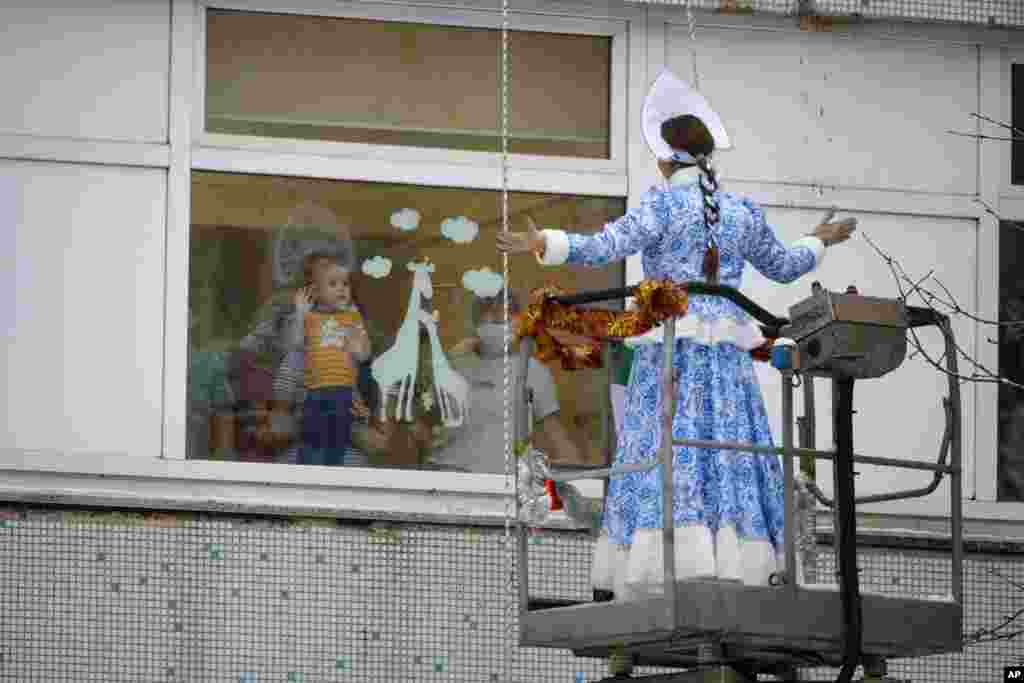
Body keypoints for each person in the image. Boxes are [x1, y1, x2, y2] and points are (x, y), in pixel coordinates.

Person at [497, 71, 857, 600]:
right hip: (729, 367)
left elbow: (607, 244)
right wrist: (818, 241)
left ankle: (658, 564)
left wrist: (545, 243)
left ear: (666, 158)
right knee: (728, 451)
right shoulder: (740, 213)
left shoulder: (663, 205)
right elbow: (783, 266)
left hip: (671, 358)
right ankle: (745, 565)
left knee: (662, 449)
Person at [429, 290, 584, 474]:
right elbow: (424, 426)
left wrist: (578, 478)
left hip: (505, 482)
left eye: (507, 310)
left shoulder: (531, 370)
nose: (498, 317)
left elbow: (557, 437)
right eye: (488, 310)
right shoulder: (455, 365)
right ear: (475, 319)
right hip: (452, 476)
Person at [287, 252, 371, 466]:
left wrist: (357, 345)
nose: (342, 289)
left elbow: (364, 355)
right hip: (315, 390)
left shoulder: (353, 316)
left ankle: (333, 472)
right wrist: (299, 314)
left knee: (338, 440)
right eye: (333, 284)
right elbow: (295, 344)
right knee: (311, 438)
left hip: (343, 392)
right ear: (316, 292)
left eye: (345, 284)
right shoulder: (310, 318)